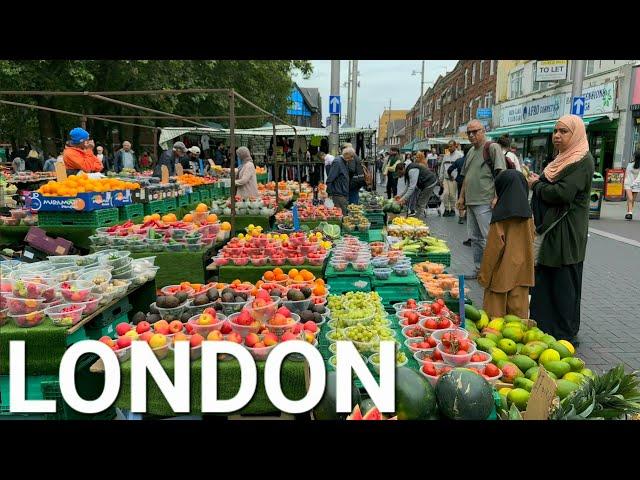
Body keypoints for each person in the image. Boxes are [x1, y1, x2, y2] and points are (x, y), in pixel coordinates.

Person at [528, 114, 594, 344]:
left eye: (563, 131)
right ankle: (544, 327)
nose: (557, 135)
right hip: (551, 231)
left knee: (564, 283)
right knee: (546, 279)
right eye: (555, 131)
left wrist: (537, 185)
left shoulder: (582, 160)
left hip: (566, 232)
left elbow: (562, 194)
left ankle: (565, 333)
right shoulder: (561, 159)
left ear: (575, 134)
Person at [478, 170, 535, 319]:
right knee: (518, 324)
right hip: (523, 275)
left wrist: (484, 277)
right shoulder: (529, 216)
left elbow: (492, 251)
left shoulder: (500, 217)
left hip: (500, 276)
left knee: (495, 325)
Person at [456, 119, 506, 279]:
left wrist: (497, 196)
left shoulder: (492, 147)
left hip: (485, 200)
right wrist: (461, 197)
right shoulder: (470, 151)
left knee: (489, 238)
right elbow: (466, 177)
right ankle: (479, 269)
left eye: (475, 131)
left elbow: (501, 174)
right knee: (475, 238)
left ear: (483, 131)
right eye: (469, 132)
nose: (471, 135)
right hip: (471, 201)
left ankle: (495, 272)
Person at [396, 151, 438, 223]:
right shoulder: (407, 171)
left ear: (402, 169)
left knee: (421, 203)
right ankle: (416, 220)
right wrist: (400, 196)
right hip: (426, 183)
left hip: (429, 183)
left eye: (399, 173)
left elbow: (412, 187)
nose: (399, 175)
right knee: (419, 202)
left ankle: (417, 222)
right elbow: (407, 187)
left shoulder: (411, 170)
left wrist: (402, 199)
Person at [440, 140, 464, 217]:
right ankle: (447, 209)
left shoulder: (459, 155)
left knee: (452, 195)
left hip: (454, 179)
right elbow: (442, 168)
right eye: (448, 146)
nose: (449, 148)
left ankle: (453, 209)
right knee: (446, 193)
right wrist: (440, 178)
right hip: (446, 178)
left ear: (455, 146)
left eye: (451, 146)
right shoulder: (446, 156)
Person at [326, 147, 352, 215]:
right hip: (339, 194)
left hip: (342, 193)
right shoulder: (337, 162)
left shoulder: (343, 161)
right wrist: (330, 193)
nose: (352, 159)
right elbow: (330, 178)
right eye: (351, 156)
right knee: (341, 214)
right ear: (346, 154)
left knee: (343, 214)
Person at [448, 153, 467, 225]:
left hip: (460, 181)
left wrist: (450, 176)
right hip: (471, 181)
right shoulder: (472, 160)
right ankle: (468, 215)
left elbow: (450, 169)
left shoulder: (459, 160)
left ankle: (461, 217)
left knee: (460, 197)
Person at [624, 151, 640, 220]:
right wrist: (625, 183)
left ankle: (629, 213)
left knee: (632, 200)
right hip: (628, 183)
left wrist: (635, 183)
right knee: (630, 198)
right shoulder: (630, 164)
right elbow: (626, 174)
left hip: (636, 184)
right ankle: (630, 213)